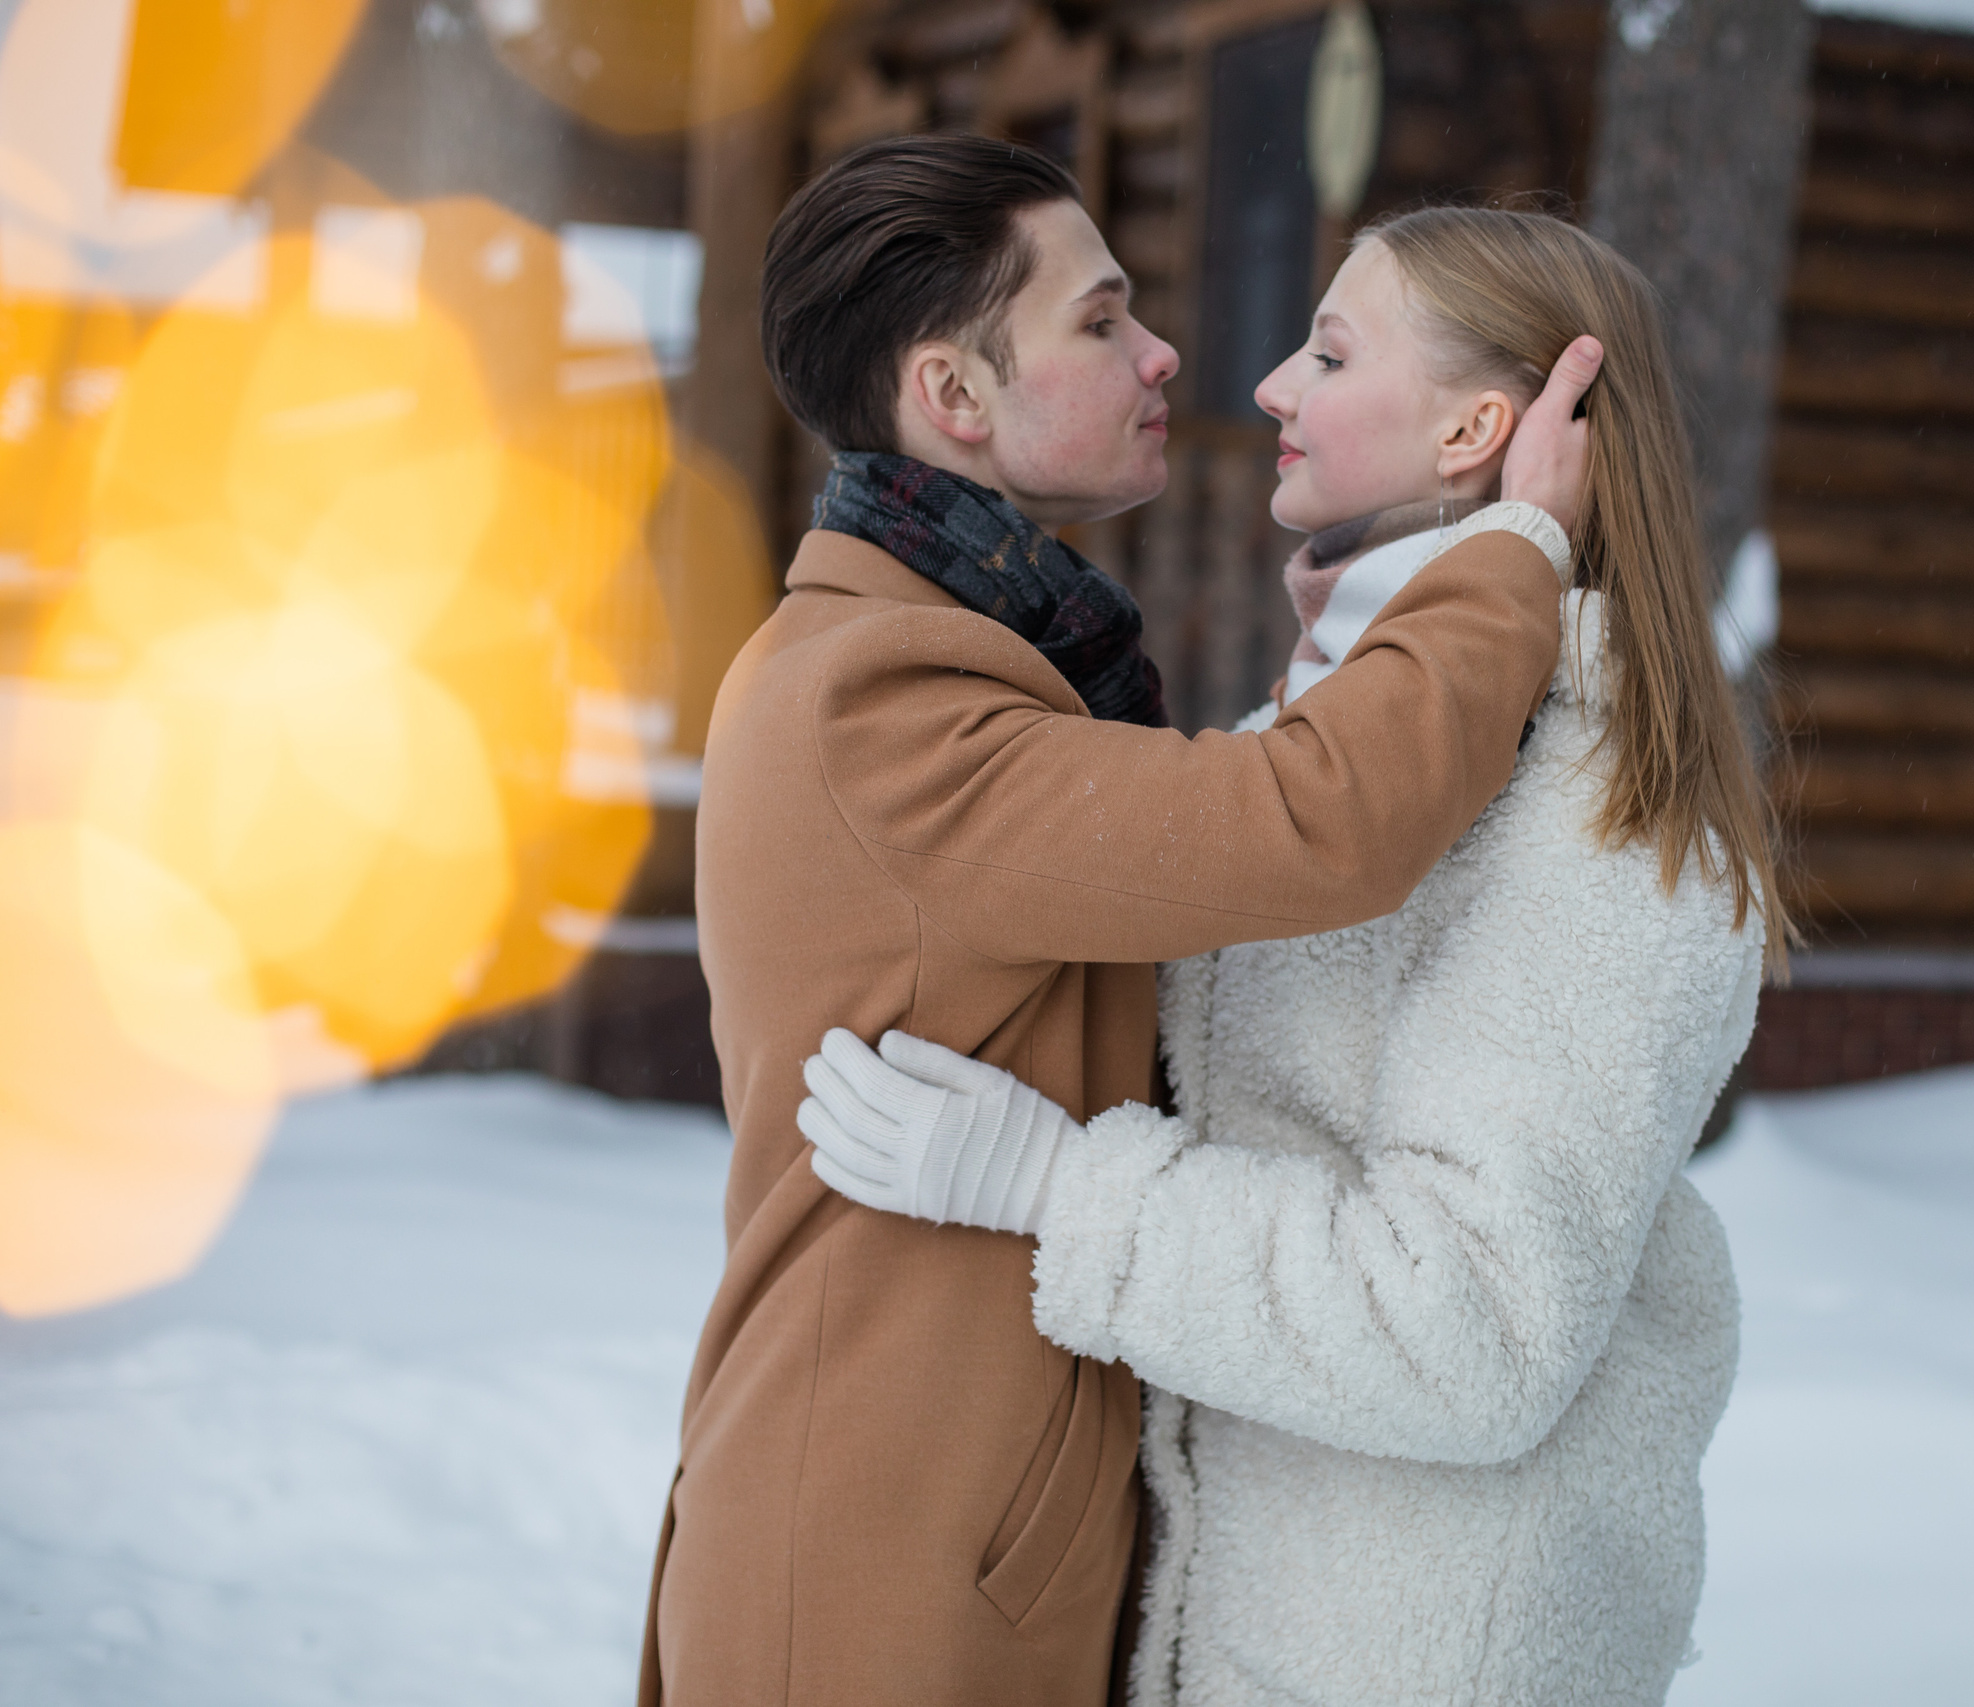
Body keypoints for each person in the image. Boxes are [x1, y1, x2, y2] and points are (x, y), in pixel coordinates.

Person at [640, 139, 1603, 1707]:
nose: (1165, 353)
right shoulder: (874, 697)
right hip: (879, 1566)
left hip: (965, 1528)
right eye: (1101, 322)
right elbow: (1316, 824)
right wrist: (1513, 555)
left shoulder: (963, 660)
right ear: (957, 398)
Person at [798, 206, 1789, 1706]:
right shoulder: (1321, 760)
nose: (1267, 384)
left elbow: (1472, 1325)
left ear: (1476, 427)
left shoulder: (1599, 833)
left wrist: (1058, 1188)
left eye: (1330, 351)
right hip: (1238, 1629)